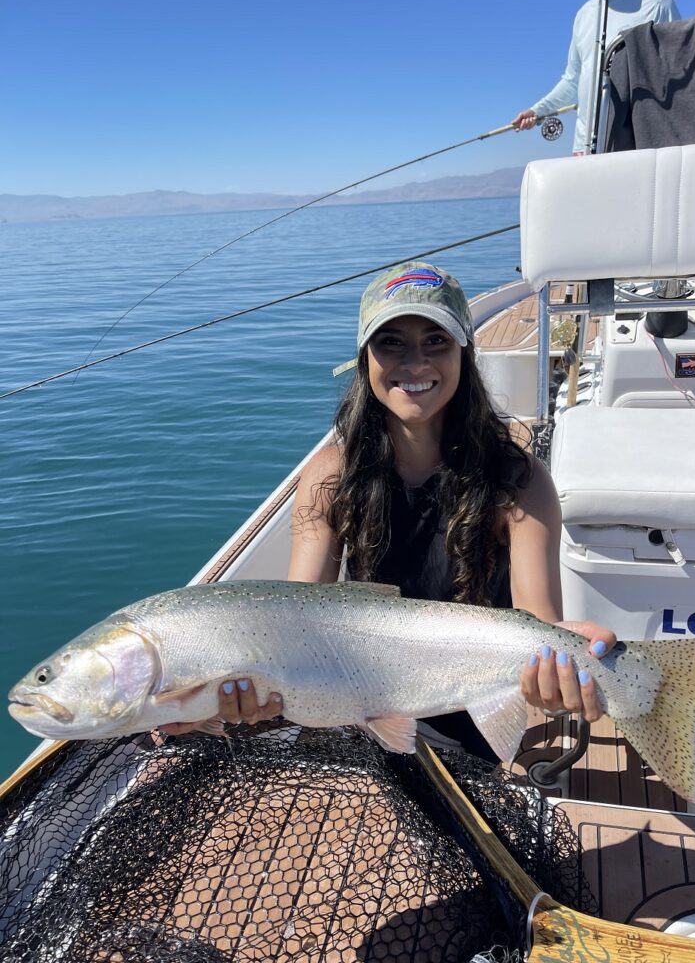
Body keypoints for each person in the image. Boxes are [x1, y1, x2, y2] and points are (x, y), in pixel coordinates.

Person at [164, 261, 615, 754]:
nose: (415, 363)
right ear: (365, 359)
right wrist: (203, 700)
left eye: (436, 342)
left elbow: (539, 625)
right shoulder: (329, 475)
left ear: (465, 351)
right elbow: (292, 619)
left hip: (471, 703)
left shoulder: (518, 480)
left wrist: (566, 661)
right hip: (352, 706)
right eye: (391, 342)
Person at [511, 0, 680, 154]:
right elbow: (572, 80)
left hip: (634, 144)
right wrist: (536, 111)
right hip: (583, 148)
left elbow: (674, 73)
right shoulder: (584, 15)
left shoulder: (657, 1)